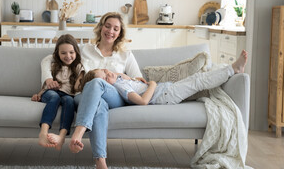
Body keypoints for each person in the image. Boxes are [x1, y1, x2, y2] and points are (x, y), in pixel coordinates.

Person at [40, 12, 144, 169]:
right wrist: (47, 79)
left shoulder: (126, 55)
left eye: (115, 28)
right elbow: (49, 58)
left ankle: (78, 133)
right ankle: (101, 167)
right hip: (85, 97)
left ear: (120, 33)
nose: (110, 31)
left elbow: (138, 81)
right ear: (101, 27)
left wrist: (116, 75)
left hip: (114, 97)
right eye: (107, 26)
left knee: (98, 83)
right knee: (98, 101)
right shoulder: (85, 50)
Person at [81, 50, 248, 106]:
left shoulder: (117, 80)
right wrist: (153, 84)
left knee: (198, 80)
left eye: (105, 70)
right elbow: (143, 102)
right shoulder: (120, 88)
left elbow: (117, 75)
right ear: (105, 86)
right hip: (164, 96)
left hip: (166, 90)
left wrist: (116, 75)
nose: (109, 73)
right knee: (198, 81)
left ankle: (227, 70)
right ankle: (232, 69)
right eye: (106, 77)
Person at [32, 34, 84, 151]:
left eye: (71, 52)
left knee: (69, 101)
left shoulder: (78, 67)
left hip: (67, 94)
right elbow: (46, 84)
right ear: (57, 53)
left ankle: (61, 137)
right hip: (51, 92)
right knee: (54, 97)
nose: (68, 56)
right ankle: (43, 133)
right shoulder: (53, 64)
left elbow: (78, 86)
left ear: (76, 52)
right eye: (63, 53)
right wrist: (39, 94)